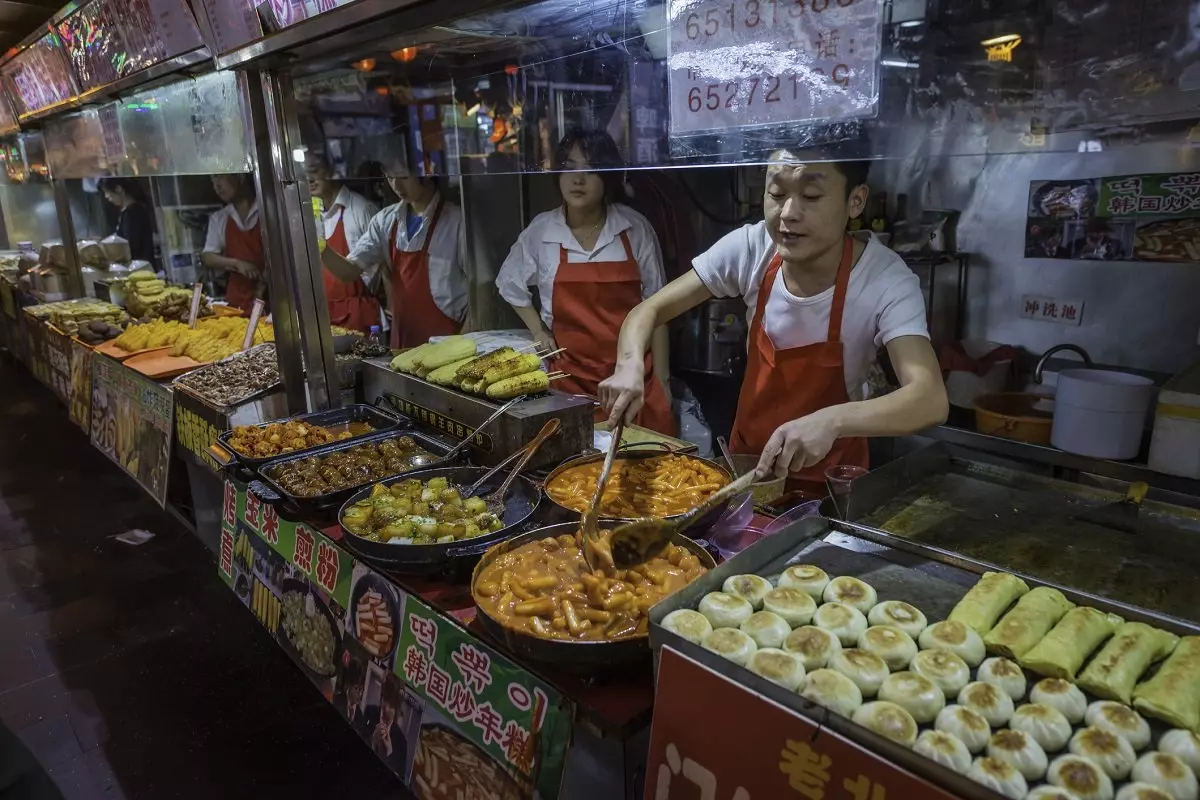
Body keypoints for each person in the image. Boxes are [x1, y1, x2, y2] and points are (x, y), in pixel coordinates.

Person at [600, 152, 948, 491]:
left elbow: (929, 398)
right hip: (749, 471)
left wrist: (833, 420)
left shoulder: (884, 278)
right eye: (777, 194)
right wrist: (629, 366)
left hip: (831, 483)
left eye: (811, 196)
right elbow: (648, 311)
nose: (788, 213)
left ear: (855, 201)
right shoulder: (754, 248)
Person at [496, 129, 675, 435]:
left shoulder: (634, 228)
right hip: (568, 386)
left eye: (590, 169)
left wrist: (662, 381)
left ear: (608, 178)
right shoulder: (542, 231)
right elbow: (509, 282)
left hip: (634, 384)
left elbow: (659, 309)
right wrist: (537, 329)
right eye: (569, 167)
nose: (577, 179)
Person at [321, 156, 467, 348]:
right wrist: (320, 246)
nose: (396, 186)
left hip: (449, 342)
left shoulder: (456, 222)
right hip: (403, 340)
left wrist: (467, 339)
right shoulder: (385, 221)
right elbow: (349, 272)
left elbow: (480, 290)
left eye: (403, 177)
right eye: (390, 177)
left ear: (427, 172)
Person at [306, 153, 381, 332]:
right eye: (304, 174)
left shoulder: (361, 210)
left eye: (314, 171)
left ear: (332, 172)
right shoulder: (307, 214)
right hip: (323, 317)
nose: (309, 179)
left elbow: (382, 271)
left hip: (358, 316)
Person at [200, 173, 264, 314]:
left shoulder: (266, 211)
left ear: (240, 176)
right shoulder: (220, 217)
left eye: (219, 177)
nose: (216, 186)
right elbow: (208, 256)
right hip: (236, 304)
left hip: (271, 302)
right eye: (212, 181)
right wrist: (236, 263)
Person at [363, 674, 410, 777]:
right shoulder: (370, 712)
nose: (386, 708)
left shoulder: (402, 743)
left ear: (397, 708)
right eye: (385, 699)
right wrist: (372, 741)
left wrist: (389, 753)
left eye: (391, 704)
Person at [98, 177, 155, 264]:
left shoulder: (133, 212)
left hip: (140, 267)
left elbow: (132, 245)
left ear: (118, 189)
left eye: (107, 192)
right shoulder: (127, 212)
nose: (106, 196)